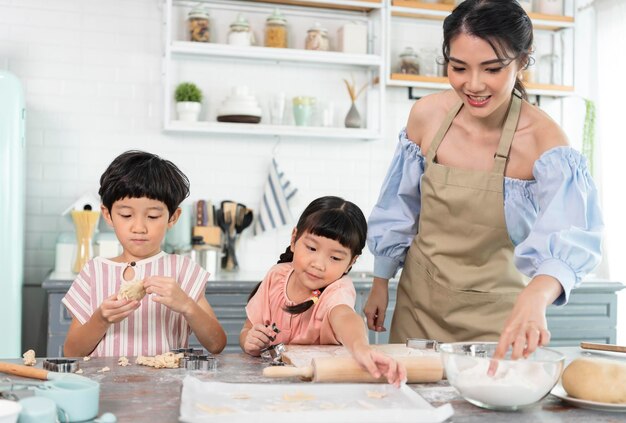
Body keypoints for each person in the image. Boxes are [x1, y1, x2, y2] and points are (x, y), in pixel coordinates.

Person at [364, 0, 603, 361]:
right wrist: (380, 280)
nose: (473, 85)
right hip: (418, 313)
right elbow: (399, 205)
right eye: (458, 67)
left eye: (491, 69)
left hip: (499, 323)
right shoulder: (427, 115)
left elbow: (573, 235)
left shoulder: (545, 141)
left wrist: (536, 297)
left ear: (522, 61)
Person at [62, 151, 227, 357]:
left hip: (166, 386)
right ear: (108, 215)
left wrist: (187, 305)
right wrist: (101, 320)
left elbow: (217, 344)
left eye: (152, 216)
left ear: (173, 217)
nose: (139, 227)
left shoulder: (182, 270)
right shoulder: (94, 271)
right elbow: (71, 352)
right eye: (126, 215)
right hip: (108, 387)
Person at [241, 196, 406, 387]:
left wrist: (360, 347)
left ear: (351, 262)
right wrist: (250, 341)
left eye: (335, 257)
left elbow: (344, 316)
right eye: (311, 248)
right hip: (275, 383)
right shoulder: (276, 276)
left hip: (323, 386)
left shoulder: (337, 289)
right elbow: (247, 329)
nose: (318, 265)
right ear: (294, 239)